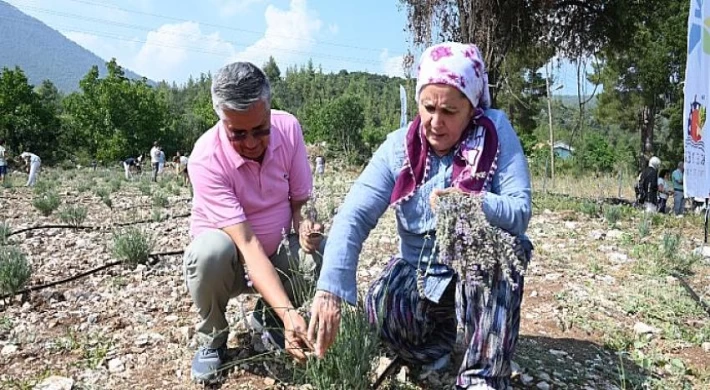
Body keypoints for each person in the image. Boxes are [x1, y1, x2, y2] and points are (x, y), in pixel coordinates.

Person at [309, 42, 533, 390]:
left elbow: (520, 212)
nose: (435, 122)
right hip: (421, 275)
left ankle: (482, 376)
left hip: (475, 274)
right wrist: (329, 292)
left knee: (499, 249)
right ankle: (439, 340)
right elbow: (353, 216)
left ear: (472, 108)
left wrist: (473, 201)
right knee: (380, 312)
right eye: (428, 107)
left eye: (450, 111)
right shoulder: (398, 147)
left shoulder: (496, 134)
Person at [183, 61, 323, 383]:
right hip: (229, 267)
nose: (251, 143)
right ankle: (213, 338)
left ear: (269, 110)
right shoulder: (205, 158)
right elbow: (247, 244)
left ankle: (269, 319)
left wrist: (306, 226)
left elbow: (300, 201)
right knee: (210, 252)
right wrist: (292, 316)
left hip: (274, 257)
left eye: (260, 130)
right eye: (238, 133)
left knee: (319, 253)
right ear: (221, 119)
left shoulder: (288, 129)